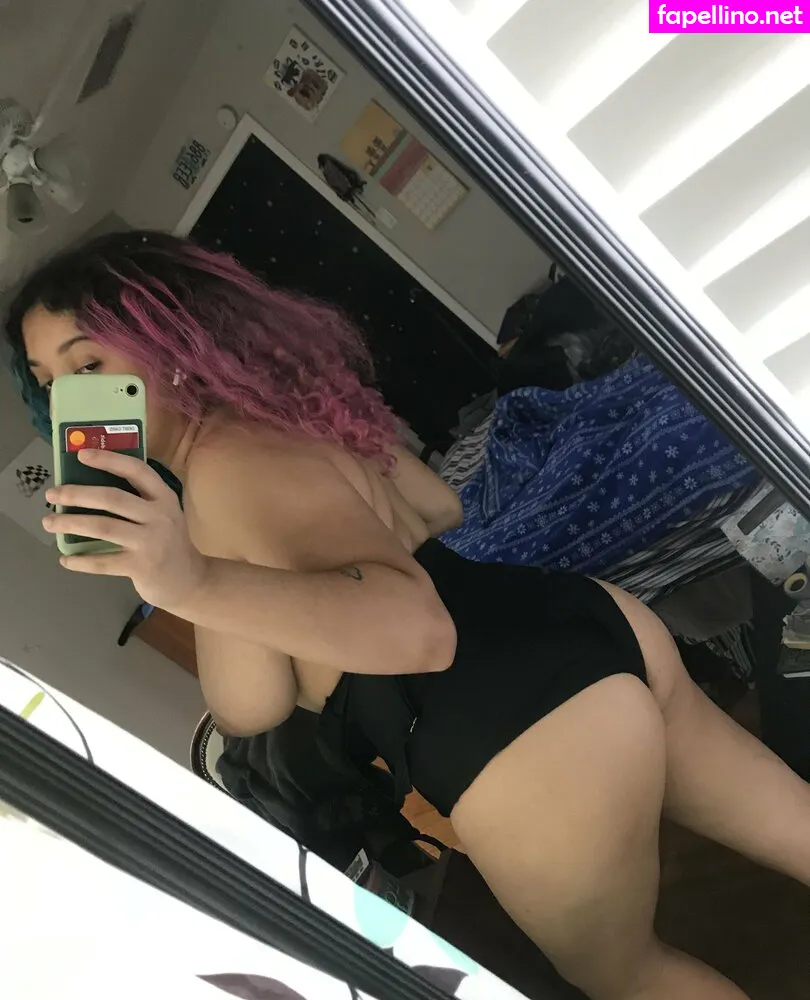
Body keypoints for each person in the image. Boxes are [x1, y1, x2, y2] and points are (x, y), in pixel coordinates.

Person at [6, 231, 809, 1000]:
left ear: (171, 340)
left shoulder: (221, 473)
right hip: (575, 623)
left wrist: (192, 585)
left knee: (627, 977)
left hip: (508, 726)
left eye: (89, 363)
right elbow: (438, 507)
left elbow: (358, 658)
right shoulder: (287, 417)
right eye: (47, 380)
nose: (68, 396)